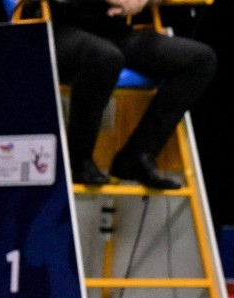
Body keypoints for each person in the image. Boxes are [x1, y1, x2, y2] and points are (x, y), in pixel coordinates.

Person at [48, 0, 217, 188]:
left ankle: (136, 156)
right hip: (60, 29)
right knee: (106, 57)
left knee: (200, 59)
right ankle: (78, 161)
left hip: (114, 32)